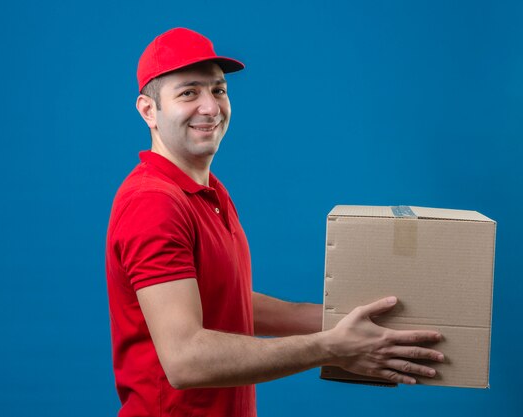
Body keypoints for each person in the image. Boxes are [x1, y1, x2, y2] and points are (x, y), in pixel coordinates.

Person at [105, 27, 444, 417]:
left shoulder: (206, 191)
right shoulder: (153, 202)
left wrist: (340, 320)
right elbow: (185, 359)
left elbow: (222, 301)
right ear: (149, 110)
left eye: (218, 90)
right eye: (188, 92)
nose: (211, 107)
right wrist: (332, 346)